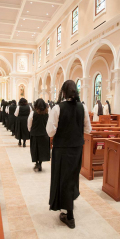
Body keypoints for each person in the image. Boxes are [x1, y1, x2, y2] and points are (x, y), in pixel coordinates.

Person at [46, 80, 92, 229]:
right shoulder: (83, 107)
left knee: (62, 178)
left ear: (63, 92)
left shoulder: (57, 108)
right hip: (77, 148)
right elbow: (88, 129)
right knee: (72, 177)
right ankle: (68, 206)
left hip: (61, 149)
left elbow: (50, 131)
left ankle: (69, 215)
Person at [28, 98, 50, 172]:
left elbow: (29, 123)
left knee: (35, 149)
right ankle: (40, 163)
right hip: (44, 134)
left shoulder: (33, 113)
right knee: (42, 150)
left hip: (35, 134)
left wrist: (30, 130)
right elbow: (49, 124)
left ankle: (37, 163)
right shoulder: (47, 114)